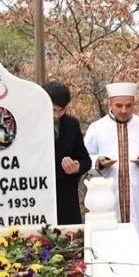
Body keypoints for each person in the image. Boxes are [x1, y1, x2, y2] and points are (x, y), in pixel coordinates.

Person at [84, 82, 139, 260]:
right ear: (109, 105)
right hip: (107, 198)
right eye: (119, 106)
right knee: (110, 247)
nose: (123, 110)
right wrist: (98, 162)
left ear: (133, 105)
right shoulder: (96, 128)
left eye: (128, 106)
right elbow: (84, 158)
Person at [43, 81, 91, 225]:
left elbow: (85, 160)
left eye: (61, 110)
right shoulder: (29, 124)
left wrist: (76, 167)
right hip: (40, 199)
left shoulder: (71, 124)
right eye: (53, 110)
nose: (57, 115)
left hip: (67, 200)